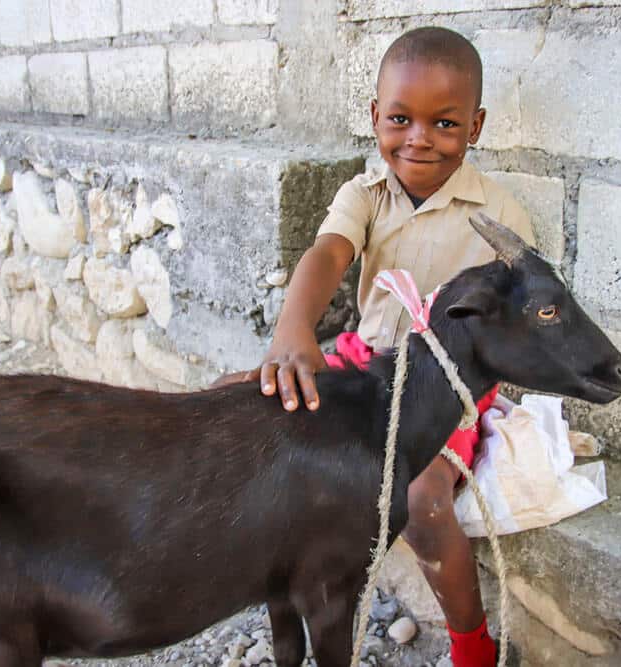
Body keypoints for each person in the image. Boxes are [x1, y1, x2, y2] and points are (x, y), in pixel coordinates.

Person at [220, 26, 536, 667]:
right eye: (400, 118)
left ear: (475, 127)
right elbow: (329, 253)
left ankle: (473, 645)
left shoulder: (498, 215)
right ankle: (270, 586)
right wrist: (294, 329)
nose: (419, 138)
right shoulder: (364, 195)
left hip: (446, 385)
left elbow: (515, 319)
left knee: (421, 496)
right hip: (365, 364)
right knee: (238, 402)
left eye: (444, 124)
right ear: (374, 118)